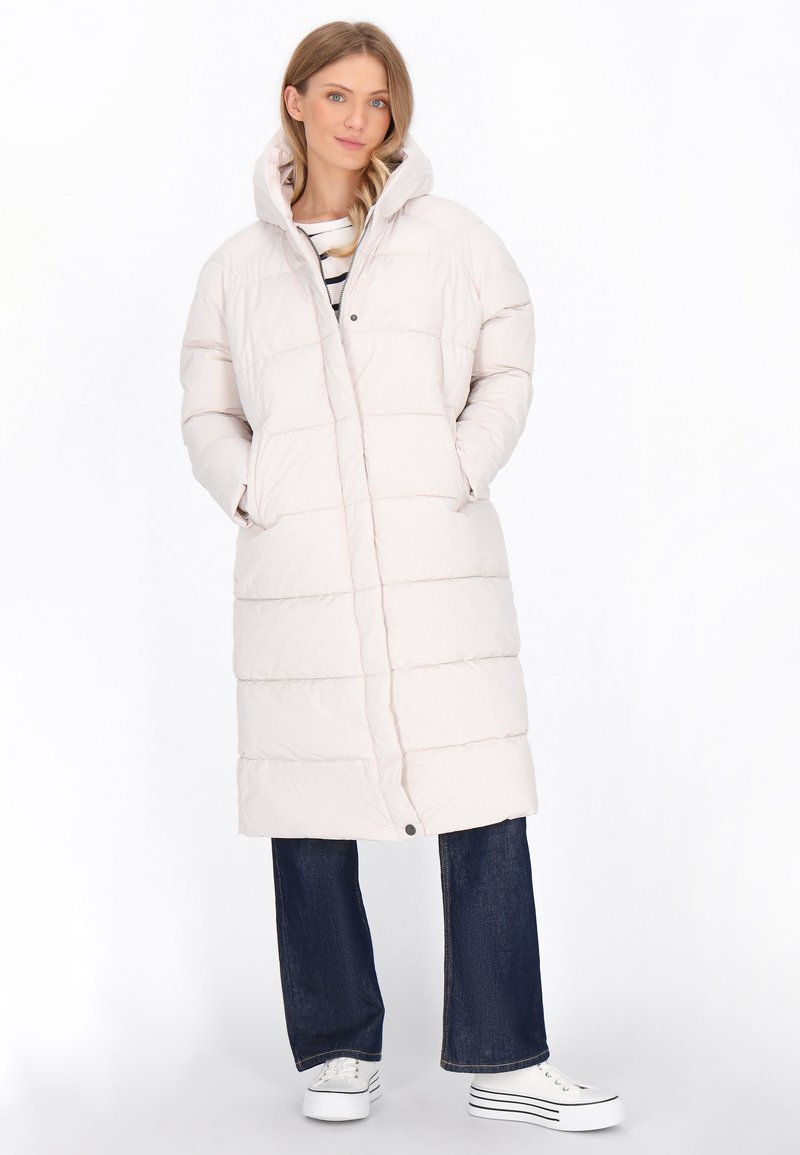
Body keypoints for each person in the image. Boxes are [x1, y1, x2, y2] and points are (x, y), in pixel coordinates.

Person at [179, 20, 624, 1132]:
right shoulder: (235, 271)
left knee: (481, 790)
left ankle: (506, 1058)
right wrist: (254, 491)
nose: (357, 119)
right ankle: (335, 1046)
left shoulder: (450, 238)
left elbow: (507, 358)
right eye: (336, 95)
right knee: (307, 795)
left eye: (377, 101)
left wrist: (459, 464)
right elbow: (207, 410)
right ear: (294, 101)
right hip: (299, 571)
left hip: (437, 561)